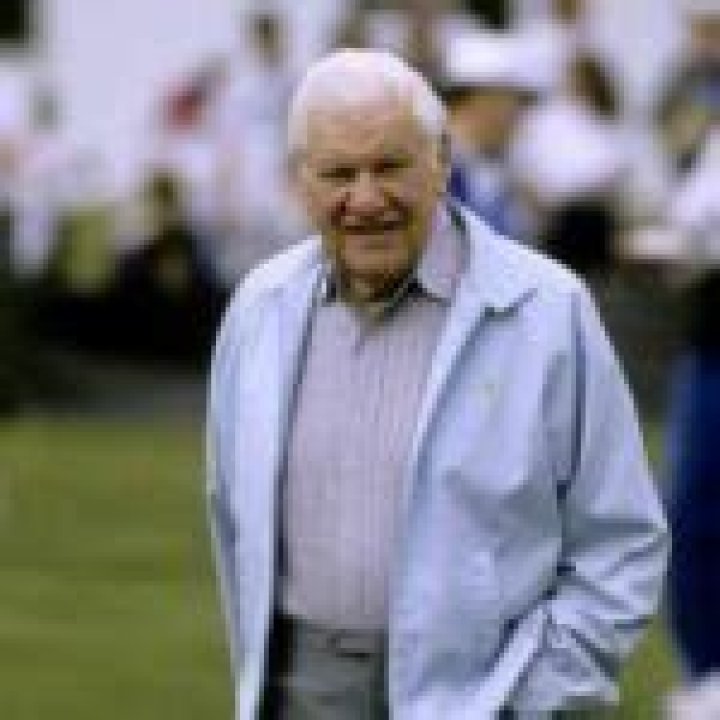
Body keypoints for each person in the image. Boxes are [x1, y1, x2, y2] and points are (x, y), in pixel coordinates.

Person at [205, 49, 668, 719]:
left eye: (391, 166)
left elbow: (620, 540)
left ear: (442, 162)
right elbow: (231, 519)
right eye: (339, 173)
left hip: (489, 696)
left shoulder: (547, 309)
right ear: (302, 181)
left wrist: (535, 700)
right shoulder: (259, 307)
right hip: (299, 691)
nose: (367, 199)